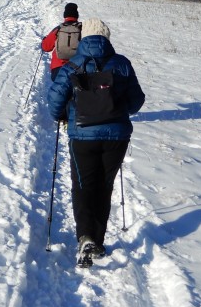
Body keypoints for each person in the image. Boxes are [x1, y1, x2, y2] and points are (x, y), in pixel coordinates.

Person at [47, 17, 145, 268]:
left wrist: (61, 115)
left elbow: (55, 102)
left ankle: (86, 237)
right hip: (117, 137)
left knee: (83, 185)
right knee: (104, 186)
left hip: (82, 136)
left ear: (83, 38)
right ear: (107, 37)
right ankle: (97, 240)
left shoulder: (72, 65)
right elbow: (135, 102)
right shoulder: (122, 64)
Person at [41, 2, 81, 81]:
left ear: (65, 15)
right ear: (76, 15)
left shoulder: (58, 29)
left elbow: (46, 48)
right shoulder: (82, 29)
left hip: (58, 68)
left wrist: (44, 40)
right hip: (78, 67)